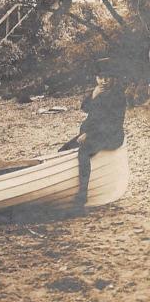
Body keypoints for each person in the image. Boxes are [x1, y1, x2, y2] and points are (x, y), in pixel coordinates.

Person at [60, 59, 126, 204]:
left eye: (107, 77)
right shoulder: (97, 91)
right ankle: (64, 181)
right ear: (96, 78)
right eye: (100, 77)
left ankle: (82, 194)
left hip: (111, 135)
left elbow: (108, 121)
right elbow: (85, 108)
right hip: (94, 131)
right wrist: (93, 96)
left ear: (113, 78)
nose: (104, 81)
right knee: (63, 150)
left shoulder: (117, 95)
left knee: (84, 152)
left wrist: (88, 134)